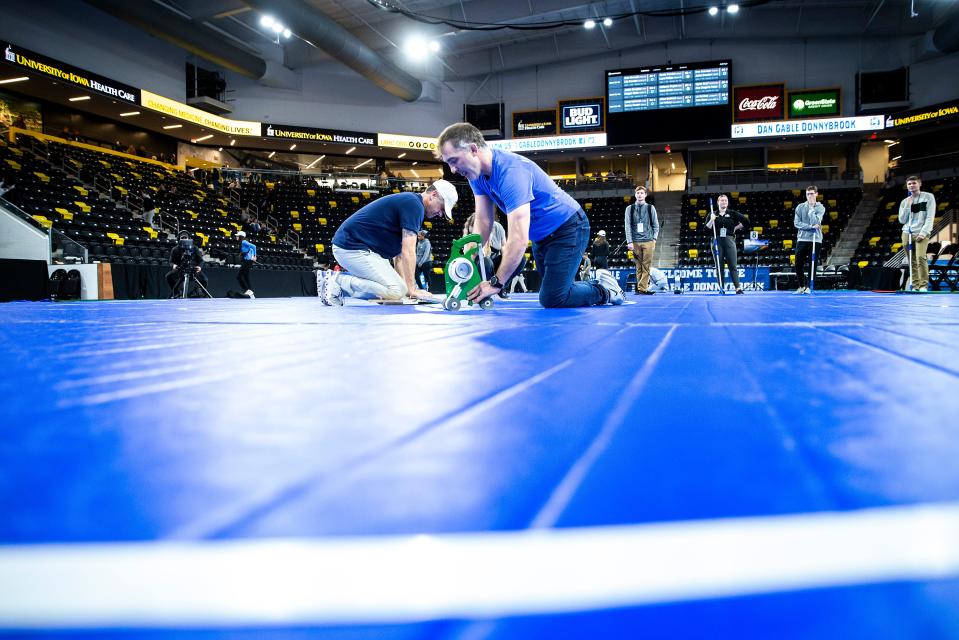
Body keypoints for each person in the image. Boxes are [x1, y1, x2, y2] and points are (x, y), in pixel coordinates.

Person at [438, 123, 621, 307]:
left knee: (553, 298)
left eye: (454, 161)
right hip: (541, 237)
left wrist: (496, 283)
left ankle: (606, 291)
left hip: (568, 227)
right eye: (449, 163)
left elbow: (518, 239)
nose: (453, 170)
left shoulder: (511, 173)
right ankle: (595, 287)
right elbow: (484, 220)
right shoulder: (475, 176)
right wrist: (469, 255)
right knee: (557, 290)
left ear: (473, 149)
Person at [320, 180, 457, 305]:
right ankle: (337, 281)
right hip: (351, 248)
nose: (440, 214)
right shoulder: (415, 205)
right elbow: (408, 251)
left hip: (359, 248)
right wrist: (412, 289)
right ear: (433, 195)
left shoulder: (412, 204)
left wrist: (407, 290)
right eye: (442, 208)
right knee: (395, 291)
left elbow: (399, 256)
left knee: (399, 292)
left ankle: (339, 283)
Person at [899, 175, 936, 292]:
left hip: (921, 233)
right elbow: (902, 220)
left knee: (920, 258)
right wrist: (907, 206)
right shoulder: (905, 201)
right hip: (907, 233)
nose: (911, 185)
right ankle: (915, 286)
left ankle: (923, 285)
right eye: (909, 184)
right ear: (907, 186)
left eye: (914, 183)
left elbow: (930, 217)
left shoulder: (928, 197)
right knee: (911, 261)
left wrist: (923, 232)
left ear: (919, 184)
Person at [705, 194, 749, 294]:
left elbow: (746, 221)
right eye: (722, 200)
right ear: (718, 202)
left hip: (729, 240)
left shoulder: (732, 213)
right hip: (716, 241)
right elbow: (706, 230)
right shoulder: (712, 214)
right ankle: (721, 288)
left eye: (725, 200)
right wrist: (711, 220)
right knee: (719, 266)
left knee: (732, 265)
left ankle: (737, 288)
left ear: (727, 202)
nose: (724, 202)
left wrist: (735, 228)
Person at [625, 185, 659, 294]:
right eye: (638, 193)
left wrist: (654, 239)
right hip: (635, 241)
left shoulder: (650, 208)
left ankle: (641, 288)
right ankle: (641, 289)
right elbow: (627, 226)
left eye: (641, 193)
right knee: (638, 266)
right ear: (635, 195)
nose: (639, 195)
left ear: (645, 195)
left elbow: (656, 225)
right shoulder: (629, 209)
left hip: (648, 240)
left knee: (646, 266)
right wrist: (629, 241)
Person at [793, 185, 825, 294]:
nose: (809, 196)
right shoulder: (800, 207)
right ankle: (801, 286)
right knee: (798, 264)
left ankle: (808, 287)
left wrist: (811, 209)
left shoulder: (820, 208)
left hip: (816, 240)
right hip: (802, 239)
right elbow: (797, 223)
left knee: (812, 265)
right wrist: (810, 227)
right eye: (808, 194)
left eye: (811, 193)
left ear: (816, 194)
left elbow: (816, 222)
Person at [166, 231, 208, 297]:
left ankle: (199, 292)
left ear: (189, 239)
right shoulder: (175, 249)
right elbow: (171, 261)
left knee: (204, 280)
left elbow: (201, 260)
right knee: (169, 276)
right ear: (179, 239)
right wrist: (173, 265)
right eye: (182, 238)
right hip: (180, 269)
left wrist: (199, 267)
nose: (184, 240)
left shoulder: (194, 248)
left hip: (193, 269)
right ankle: (177, 293)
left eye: (185, 238)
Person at [236, 230, 257, 298]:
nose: (236, 237)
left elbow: (254, 246)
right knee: (246, 276)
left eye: (237, 236)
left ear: (241, 237)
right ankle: (251, 292)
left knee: (239, 276)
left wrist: (254, 256)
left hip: (247, 261)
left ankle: (247, 290)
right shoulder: (242, 242)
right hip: (247, 261)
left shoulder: (244, 242)